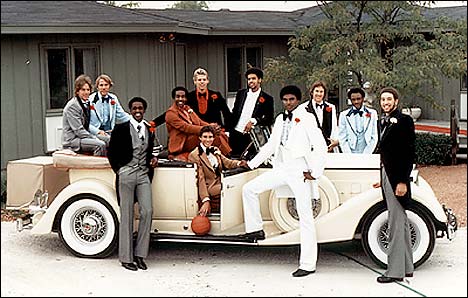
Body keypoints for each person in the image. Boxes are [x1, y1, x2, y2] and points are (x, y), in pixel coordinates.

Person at [240, 85, 327, 277]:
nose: (288, 103)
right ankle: (255, 229)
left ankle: (307, 264)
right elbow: (271, 145)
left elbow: (320, 146)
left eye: (292, 100)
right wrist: (252, 164)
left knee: (305, 217)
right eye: (285, 100)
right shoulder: (280, 119)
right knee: (249, 189)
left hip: (300, 171)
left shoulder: (307, 117)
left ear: (298, 100)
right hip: (282, 168)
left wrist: (315, 171)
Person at [107, 96, 158, 271]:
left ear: (144, 110)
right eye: (135, 108)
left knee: (147, 211)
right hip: (126, 173)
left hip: (143, 174)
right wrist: (120, 170)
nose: (137, 111)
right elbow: (111, 152)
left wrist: (152, 160)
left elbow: (150, 151)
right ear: (130, 110)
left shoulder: (148, 129)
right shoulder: (121, 128)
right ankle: (126, 258)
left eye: (140, 108)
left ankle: (140, 255)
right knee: (127, 214)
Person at [373, 87, 416, 283]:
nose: (386, 102)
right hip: (386, 173)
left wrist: (402, 181)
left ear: (396, 101)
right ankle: (407, 267)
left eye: (389, 99)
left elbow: (408, 153)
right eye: (383, 99)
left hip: (397, 177)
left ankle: (394, 271)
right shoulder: (382, 121)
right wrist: (381, 177)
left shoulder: (404, 120)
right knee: (401, 222)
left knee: (396, 222)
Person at [188, 125, 247, 217]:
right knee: (234, 187)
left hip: (221, 180)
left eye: (210, 137)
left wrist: (240, 163)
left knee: (241, 184)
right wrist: (205, 199)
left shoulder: (215, 149)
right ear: (200, 138)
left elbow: (227, 162)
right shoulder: (194, 155)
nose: (208, 140)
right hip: (210, 186)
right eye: (205, 137)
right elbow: (200, 178)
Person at [165, 86, 231, 161]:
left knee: (220, 133)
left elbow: (199, 121)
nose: (180, 99)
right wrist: (207, 129)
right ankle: (226, 158)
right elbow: (186, 127)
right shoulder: (171, 113)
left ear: (186, 98)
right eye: (178, 97)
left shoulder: (187, 108)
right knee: (213, 137)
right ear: (174, 98)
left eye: (183, 97)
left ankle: (227, 156)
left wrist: (211, 126)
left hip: (191, 137)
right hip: (182, 142)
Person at [229, 67, 274, 159]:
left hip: (251, 136)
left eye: (253, 78)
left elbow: (269, 118)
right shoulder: (241, 94)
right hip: (236, 133)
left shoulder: (267, 98)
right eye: (249, 79)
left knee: (248, 161)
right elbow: (234, 112)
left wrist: (254, 121)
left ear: (260, 80)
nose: (251, 81)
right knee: (233, 159)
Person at [62, 74, 107, 156]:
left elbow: (87, 126)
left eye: (88, 90)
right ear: (77, 91)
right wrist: (94, 137)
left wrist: (98, 133)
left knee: (109, 139)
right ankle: (95, 167)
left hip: (83, 136)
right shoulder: (73, 106)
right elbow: (78, 131)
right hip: (74, 140)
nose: (86, 92)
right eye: (83, 90)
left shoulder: (86, 102)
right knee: (100, 145)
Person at [89, 74, 130, 146]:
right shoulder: (90, 99)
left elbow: (122, 115)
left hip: (109, 131)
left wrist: (137, 121)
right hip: (94, 132)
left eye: (106, 85)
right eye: (101, 85)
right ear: (97, 87)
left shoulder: (113, 98)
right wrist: (98, 131)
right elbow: (86, 122)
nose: (104, 87)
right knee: (111, 141)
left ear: (109, 86)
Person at [300, 80, 339, 153]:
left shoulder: (331, 107)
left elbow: (334, 126)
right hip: (311, 147)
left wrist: (334, 141)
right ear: (312, 92)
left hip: (327, 147)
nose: (319, 94)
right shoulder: (303, 108)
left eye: (321, 92)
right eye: (317, 91)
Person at [337, 87, 378, 154]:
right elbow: (342, 137)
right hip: (350, 151)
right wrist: (349, 154)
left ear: (363, 98)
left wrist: (367, 153)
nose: (356, 102)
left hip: (367, 150)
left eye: (358, 99)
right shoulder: (343, 115)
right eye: (353, 99)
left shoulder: (372, 113)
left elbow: (374, 136)